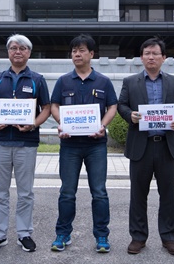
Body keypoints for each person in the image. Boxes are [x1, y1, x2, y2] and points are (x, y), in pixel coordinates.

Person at [117, 37, 174, 256]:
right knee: (138, 195)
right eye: (147, 53)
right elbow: (121, 105)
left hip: (167, 146)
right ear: (141, 57)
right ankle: (138, 237)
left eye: (155, 53)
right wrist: (131, 116)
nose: (150, 57)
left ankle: (168, 237)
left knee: (168, 195)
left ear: (163, 58)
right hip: (142, 146)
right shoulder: (130, 82)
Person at [0, 34, 51, 253]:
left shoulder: (37, 80)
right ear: (8, 52)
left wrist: (32, 124)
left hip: (26, 143)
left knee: (25, 192)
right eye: (13, 48)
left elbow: (47, 108)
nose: (17, 51)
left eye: (22, 48)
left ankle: (24, 233)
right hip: (0, 142)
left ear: (29, 53)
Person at [50, 34, 118, 253]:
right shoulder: (63, 81)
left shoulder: (103, 81)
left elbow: (112, 107)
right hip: (69, 146)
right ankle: (62, 234)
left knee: (99, 192)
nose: (76, 54)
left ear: (91, 54)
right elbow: (54, 106)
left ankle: (101, 237)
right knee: (67, 192)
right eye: (73, 51)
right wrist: (62, 124)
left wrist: (102, 126)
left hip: (95, 145)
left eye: (81, 50)